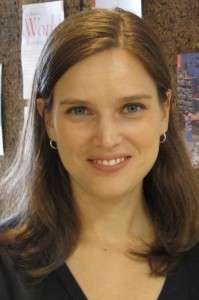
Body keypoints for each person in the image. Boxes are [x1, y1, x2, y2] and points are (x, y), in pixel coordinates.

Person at [0, 8, 199, 300]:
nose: (107, 138)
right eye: (79, 111)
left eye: (131, 108)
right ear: (48, 120)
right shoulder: (6, 267)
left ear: (164, 112)